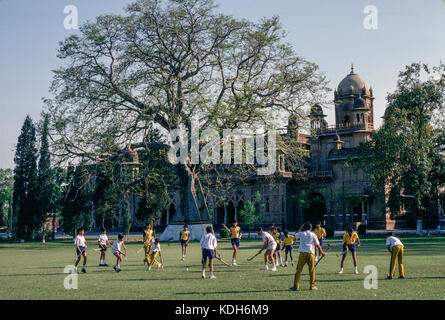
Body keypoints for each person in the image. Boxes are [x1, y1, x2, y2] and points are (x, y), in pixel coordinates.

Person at [290, 222, 326, 291]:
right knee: (312, 271)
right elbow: (317, 245)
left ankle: (296, 286)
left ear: (304, 228)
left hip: (302, 254)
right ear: (310, 228)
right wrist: (321, 252)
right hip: (311, 254)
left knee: (298, 270)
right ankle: (312, 286)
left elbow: (295, 235)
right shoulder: (313, 234)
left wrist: (300, 227)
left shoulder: (302, 233)